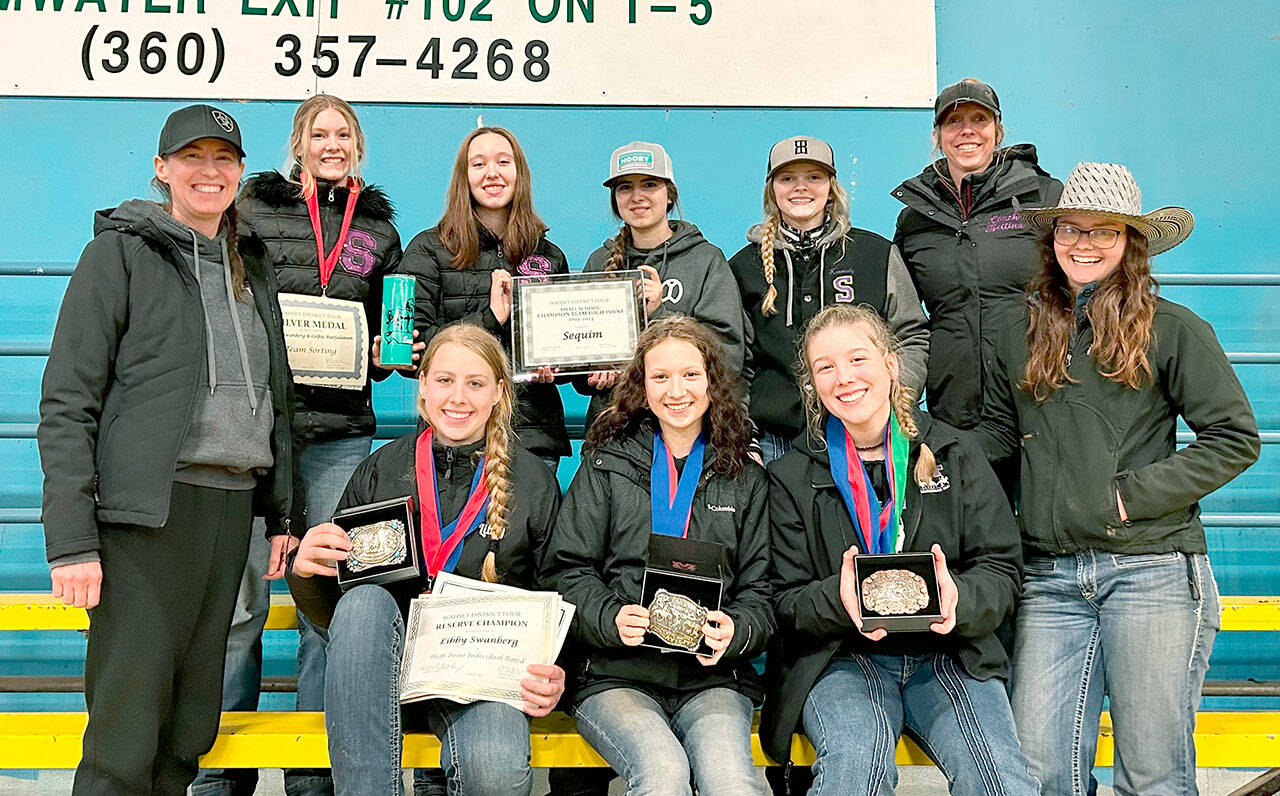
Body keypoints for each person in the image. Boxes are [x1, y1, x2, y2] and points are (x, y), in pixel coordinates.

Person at [977, 162, 1261, 796]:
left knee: (1152, 773)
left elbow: (1234, 439)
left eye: (1103, 232)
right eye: (1071, 230)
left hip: (1151, 570)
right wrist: (928, 447)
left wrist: (1127, 498)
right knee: (1041, 772)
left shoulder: (1174, 328)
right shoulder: (1016, 332)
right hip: (1048, 577)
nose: (1084, 244)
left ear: (1131, 241)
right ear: (1051, 241)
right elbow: (998, 436)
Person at [37, 104, 297, 795]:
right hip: (147, 519)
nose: (208, 172)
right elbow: (68, 402)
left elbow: (277, 398)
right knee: (125, 736)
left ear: (240, 173)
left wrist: (282, 514)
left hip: (231, 511)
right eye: (192, 157)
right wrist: (70, 541)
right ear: (162, 169)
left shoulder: (252, 267)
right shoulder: (117, 255)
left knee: (187, 733)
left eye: (223, 159)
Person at [193, 93, 406, 796]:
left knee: (328, 600)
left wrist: (384, 351)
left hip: (341, 435)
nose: (332, 143)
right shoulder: (252, 209)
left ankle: (313, 773)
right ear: (299, 142)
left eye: (343, 133)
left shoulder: (377, 227)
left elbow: (389, 331)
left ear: (359, 146)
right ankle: (223, 771)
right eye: (320, 132)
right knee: (237, 601)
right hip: (258, 428)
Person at [763, 303, 1037, 796]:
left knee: (1002, 783)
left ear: (891, 364)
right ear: (812, 385)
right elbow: (783, 601)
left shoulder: (957, 453)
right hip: (843, 657)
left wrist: (960, 598)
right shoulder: (790, 477)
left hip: (950, 653)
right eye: (825, 367)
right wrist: (837, 600)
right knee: (855, 774)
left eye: (858, 360)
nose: (844, 378)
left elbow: (1001, 569)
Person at [287, 323, 566, 796]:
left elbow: (560, 593)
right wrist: (307, 572)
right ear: (422, 388)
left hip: (478, 677)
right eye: (444, 380)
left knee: (496, 769)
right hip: (383, 673)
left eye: (475, 383)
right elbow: (335, 616)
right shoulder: (381, 468)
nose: (458, 397)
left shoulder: (533, 482)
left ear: (499, 392)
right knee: (364, 604)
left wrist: (557, 670)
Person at [544, 316, 773, 796]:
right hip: (615, 675)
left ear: (713, 380)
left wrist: (737, 630)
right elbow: (566, 571)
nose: (677, 390)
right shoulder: (606, 463)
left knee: (732, 783)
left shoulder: (746, 476)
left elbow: (762, 590)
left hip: (711, 679)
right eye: (660, 376)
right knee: (663, 774)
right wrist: (610, 617)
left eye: (691, 374)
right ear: (641, 386)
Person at [730, 135, 928, 464]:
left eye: (814, 177)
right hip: (778, 441)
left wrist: (894, 402)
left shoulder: (875, 254)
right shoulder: (743, 267)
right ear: (772, 189)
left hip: (867, 435)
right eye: (788, 178)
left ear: (831, 186)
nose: (801, 187)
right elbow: (737, 361)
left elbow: (911, 335)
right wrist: (746, 431)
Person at [891, 79, 1062, 453]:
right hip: (955, 404)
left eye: (979, 119)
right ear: (937, 135)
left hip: (1037, 392)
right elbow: (900, 313)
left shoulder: (1045, 198)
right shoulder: (915, 217)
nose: (967, 130)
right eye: (953, 121)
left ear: (998, 130)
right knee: (970, 510)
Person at [400, 126, 570, 475]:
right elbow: (412, 352)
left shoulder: (549, 256)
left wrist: (560, 366)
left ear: (518, 173)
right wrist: (490, 319)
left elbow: (565, 348)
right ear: (464, 177)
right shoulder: (428, 249)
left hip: (533, 436)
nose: (492, 172)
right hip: (454, 434)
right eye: (478, 164)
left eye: (503, 162)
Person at [575, 141, 745, 431]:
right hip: (614, 430)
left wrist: (660, 312)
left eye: (650, 184)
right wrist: (589, 373)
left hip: (686, 431)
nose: (637, 196)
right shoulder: (599, 261)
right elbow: (581, 354)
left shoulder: (705, 259)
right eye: (625, 187)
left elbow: (729, 356)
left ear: (670, 195)